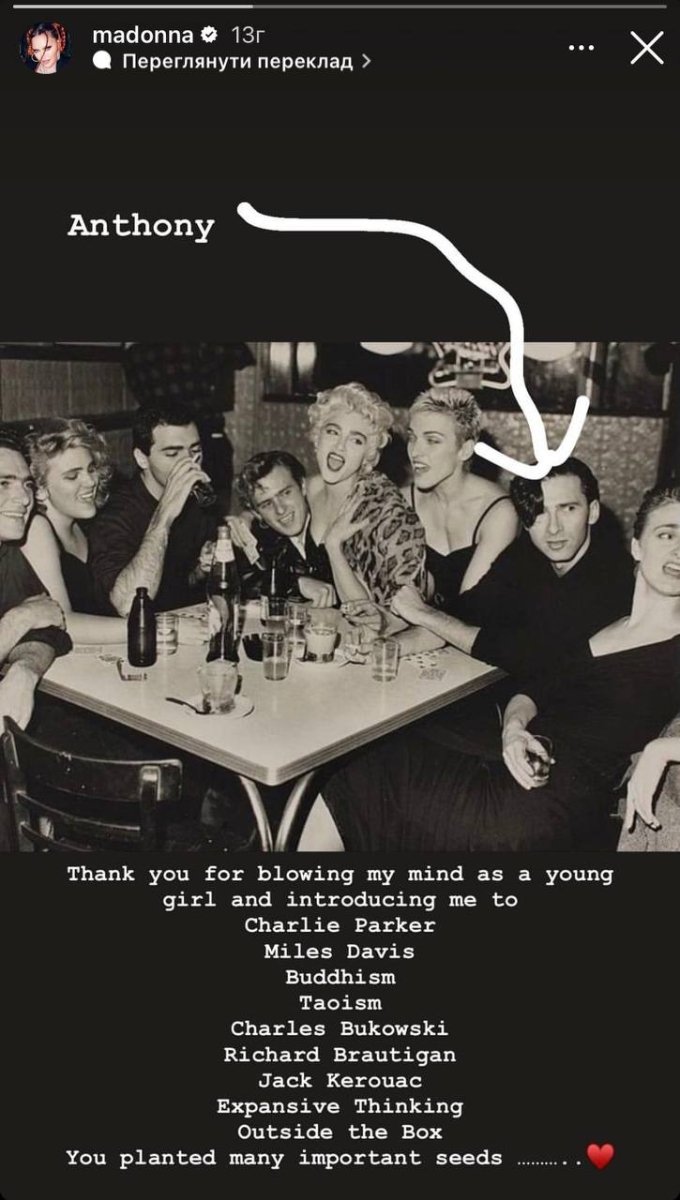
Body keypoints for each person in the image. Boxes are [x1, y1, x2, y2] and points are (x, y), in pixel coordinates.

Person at [320, 482, 680, 852]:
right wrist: (513, 729)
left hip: (544, 805)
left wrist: (663, 750)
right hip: (516, 758)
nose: (678, 551)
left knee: (359, 777)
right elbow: (534, 689)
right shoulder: (611, 623)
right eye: (667, 534)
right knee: (361, 759)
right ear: (638, 546)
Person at [391, 457, 635, 677]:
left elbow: (531, 657)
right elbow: (466, 612)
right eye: (539, 512)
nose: (553, 528)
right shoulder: (526, 554)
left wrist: (425, 614)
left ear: (592, 512)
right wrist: (390, 644)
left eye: (568, 509)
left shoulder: (615, 575)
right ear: (525, 521)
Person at [87, 402, 218, 615]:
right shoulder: (114, 514)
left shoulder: (198, 502)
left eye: (195, 451)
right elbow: (127, 604)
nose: (190, 464)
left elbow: (179, 587)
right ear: (142, 459)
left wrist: (201, 570)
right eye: (172, 454)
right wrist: (164, 516)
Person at [305, 382, 426, 606]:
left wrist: (334, 546)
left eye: (356, 440)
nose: (340, 446)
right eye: (332, 431)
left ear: (368, 455)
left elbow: (368, 615)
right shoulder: (306, 489)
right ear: (317, 437)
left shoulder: (378, 507)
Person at [402, 386, 518, 608]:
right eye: (412, 437)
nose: (415, 452)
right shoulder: (402, 503)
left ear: (465, 450)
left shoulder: (499, 513)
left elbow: (472, 610)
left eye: (432, 440)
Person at [231, 450, 336, 606]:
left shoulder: (332, 523)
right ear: (257, 513)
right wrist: (297, 584)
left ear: (303, 486)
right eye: (266, 504)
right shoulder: (263, 538)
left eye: (285, 493)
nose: (280, 509)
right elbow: (245, 582)